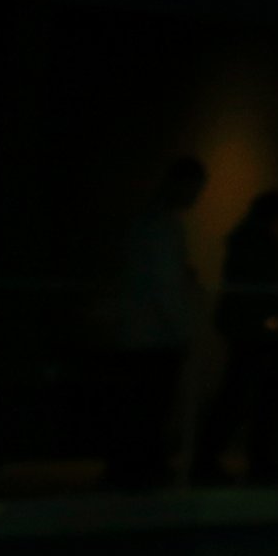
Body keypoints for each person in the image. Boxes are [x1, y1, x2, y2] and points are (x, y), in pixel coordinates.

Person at [103, 156, 207, 489]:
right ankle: (140, 474)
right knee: (149, 409)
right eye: (195, 188)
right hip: (154, 336)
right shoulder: (161, 226)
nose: (197, 196)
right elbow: (163, 286)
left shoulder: (148, 223)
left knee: (137, 408)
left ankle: (129, 472)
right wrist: (183, 330)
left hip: (139, 333)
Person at [193, 188, 278, 483]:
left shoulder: (248, 241)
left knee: (241, 395)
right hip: (258, 332)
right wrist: (275, 321)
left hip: (251, 330)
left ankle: (216, 459)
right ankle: (254, 464)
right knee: (250, 397)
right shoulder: (258, 244)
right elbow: (264, 289)